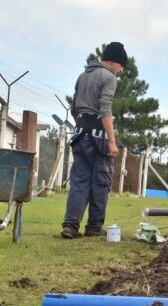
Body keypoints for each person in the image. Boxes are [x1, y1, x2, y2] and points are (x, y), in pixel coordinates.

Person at [60, 42, 127, 239]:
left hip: (80, 136)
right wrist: (112, 141)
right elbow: (106, 109)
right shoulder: (109, 77)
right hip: (99, 138)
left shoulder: (83, 76)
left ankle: (71, 226)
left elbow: (74, 108)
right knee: (101, 180)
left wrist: (83, 125)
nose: (121, 70)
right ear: (113, 62)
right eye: (121, 66)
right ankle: (94, 227)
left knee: (79, 181)